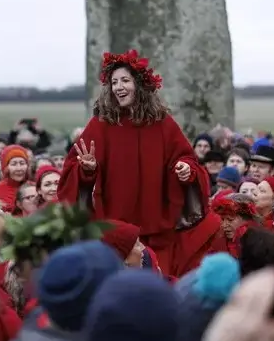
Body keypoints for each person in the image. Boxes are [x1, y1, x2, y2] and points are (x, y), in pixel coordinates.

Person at [58, 50, 218, 277]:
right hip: (116, 234)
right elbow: (72, 171)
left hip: (156, 231)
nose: (118, 87)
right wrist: (87, 170)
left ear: (140, 84)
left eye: (125, 80)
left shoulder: (163, 124)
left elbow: (186, 158)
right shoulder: (101, 124)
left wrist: (186, 169)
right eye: (114, 82)